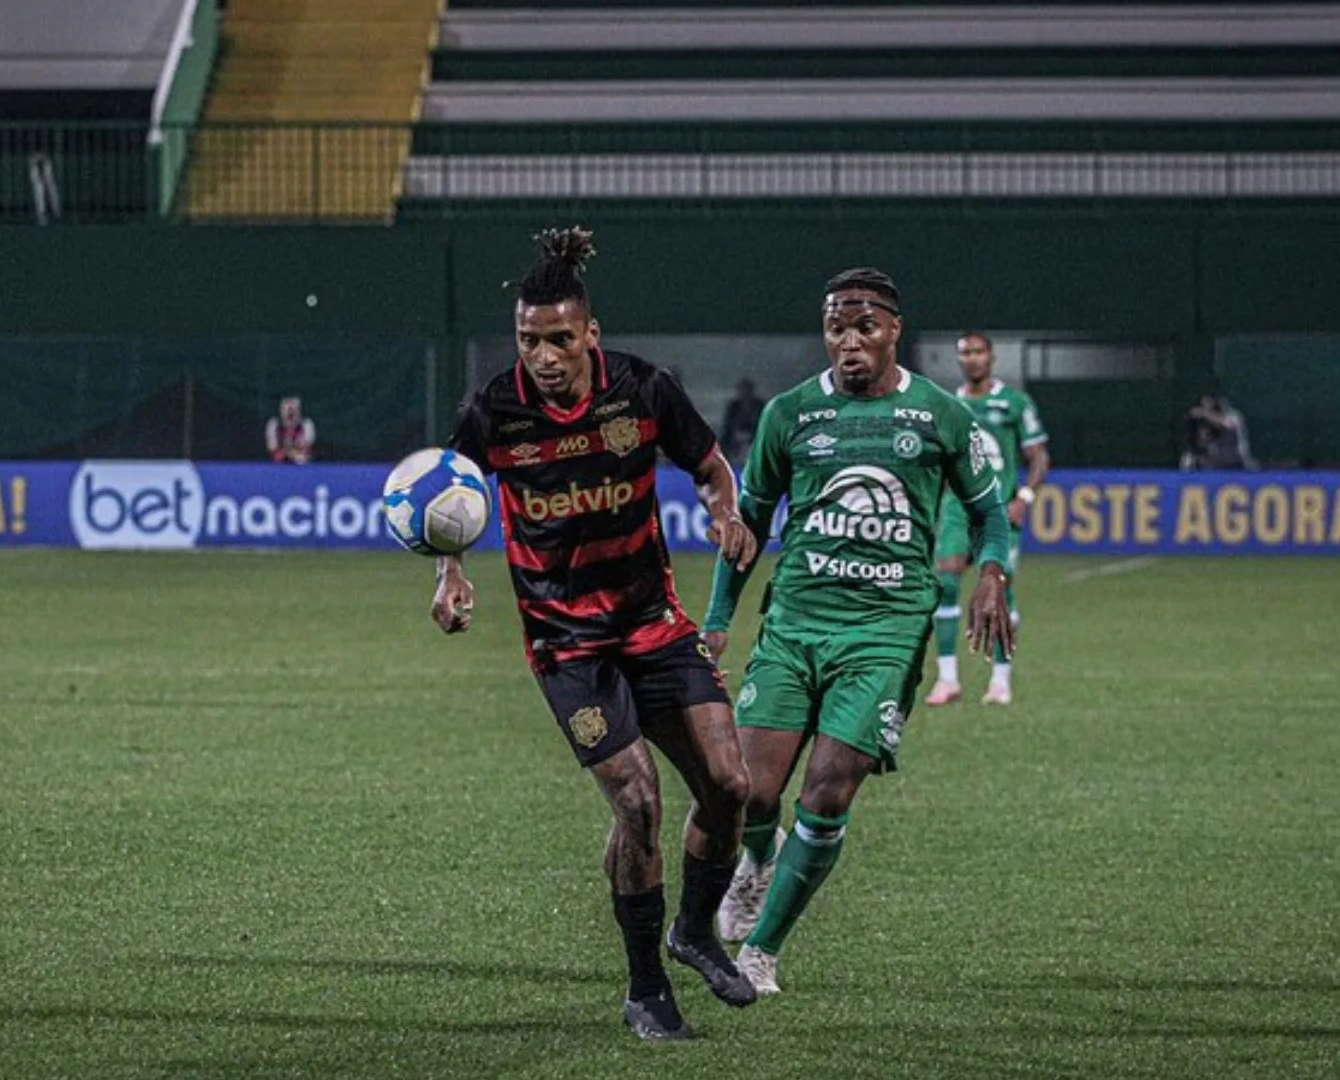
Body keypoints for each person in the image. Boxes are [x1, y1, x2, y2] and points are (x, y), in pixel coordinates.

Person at [432, 227, 762, 1040]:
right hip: (568, 648)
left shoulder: (643, 391)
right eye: (527, 339)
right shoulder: (492, 411)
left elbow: (712, 467)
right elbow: (450, 498)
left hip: (653, 625)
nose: (541, 356)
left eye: (557, 339)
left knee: (730, 786)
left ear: (590, 334)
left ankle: (693, 930)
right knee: (640, 802)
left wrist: (726, 510)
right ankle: (647, 988)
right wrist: (450, 571)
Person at [700, 268, 1014, 996]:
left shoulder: (938, 414)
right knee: (744, 791)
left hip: (884, 631)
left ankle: (762, 954)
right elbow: (745, 525)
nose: (849, 343)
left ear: (893, 331)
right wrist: (717, 620)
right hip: (796, 624)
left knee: (830, 793)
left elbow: (988, 509)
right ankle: (756, 862)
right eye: (837, 329)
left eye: (864, 328)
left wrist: (992, 570)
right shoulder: (790, 414)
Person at [923, 332, 1049, 707]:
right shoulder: (948, 406)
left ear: (991, 357)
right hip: (956, 509)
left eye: (979, 352)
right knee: (946, 582)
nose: (973, 359)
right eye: (965, 353)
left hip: (998, 508)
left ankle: (1000, 680)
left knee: (1000, 588)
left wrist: (1024, 496)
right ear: (959, 360)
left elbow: (1038, 456)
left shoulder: (1013, 402)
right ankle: (947, 679)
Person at [1184, 393, 1254, 471]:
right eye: (1204, 405)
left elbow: (1227, 423)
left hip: (1237, 459)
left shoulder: (1233, 415)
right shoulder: (1207, 421)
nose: (1207, 407)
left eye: (1209, 403)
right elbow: (1203, 442)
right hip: (1216, 459)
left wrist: (1204, 413)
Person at [718, 377, 766, 467]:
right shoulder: (734, 406)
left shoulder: (759, 405)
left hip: (754, 435)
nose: (744, 393)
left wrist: (750, 434)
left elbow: (763, 424)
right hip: (735, 436)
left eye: (746, 390)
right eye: (742, 390)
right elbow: (728, 424)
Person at [265, 396, 316, 463]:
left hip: (302, 459)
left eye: (293, 410)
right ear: (281, 410)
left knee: (302, 458)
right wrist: (290, 452)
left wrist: (291, 448)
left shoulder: (306, 424)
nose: (290, 413)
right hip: (279, 461)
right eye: (287, 410)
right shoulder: (274, 424)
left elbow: (307, 444)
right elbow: (272, 447)